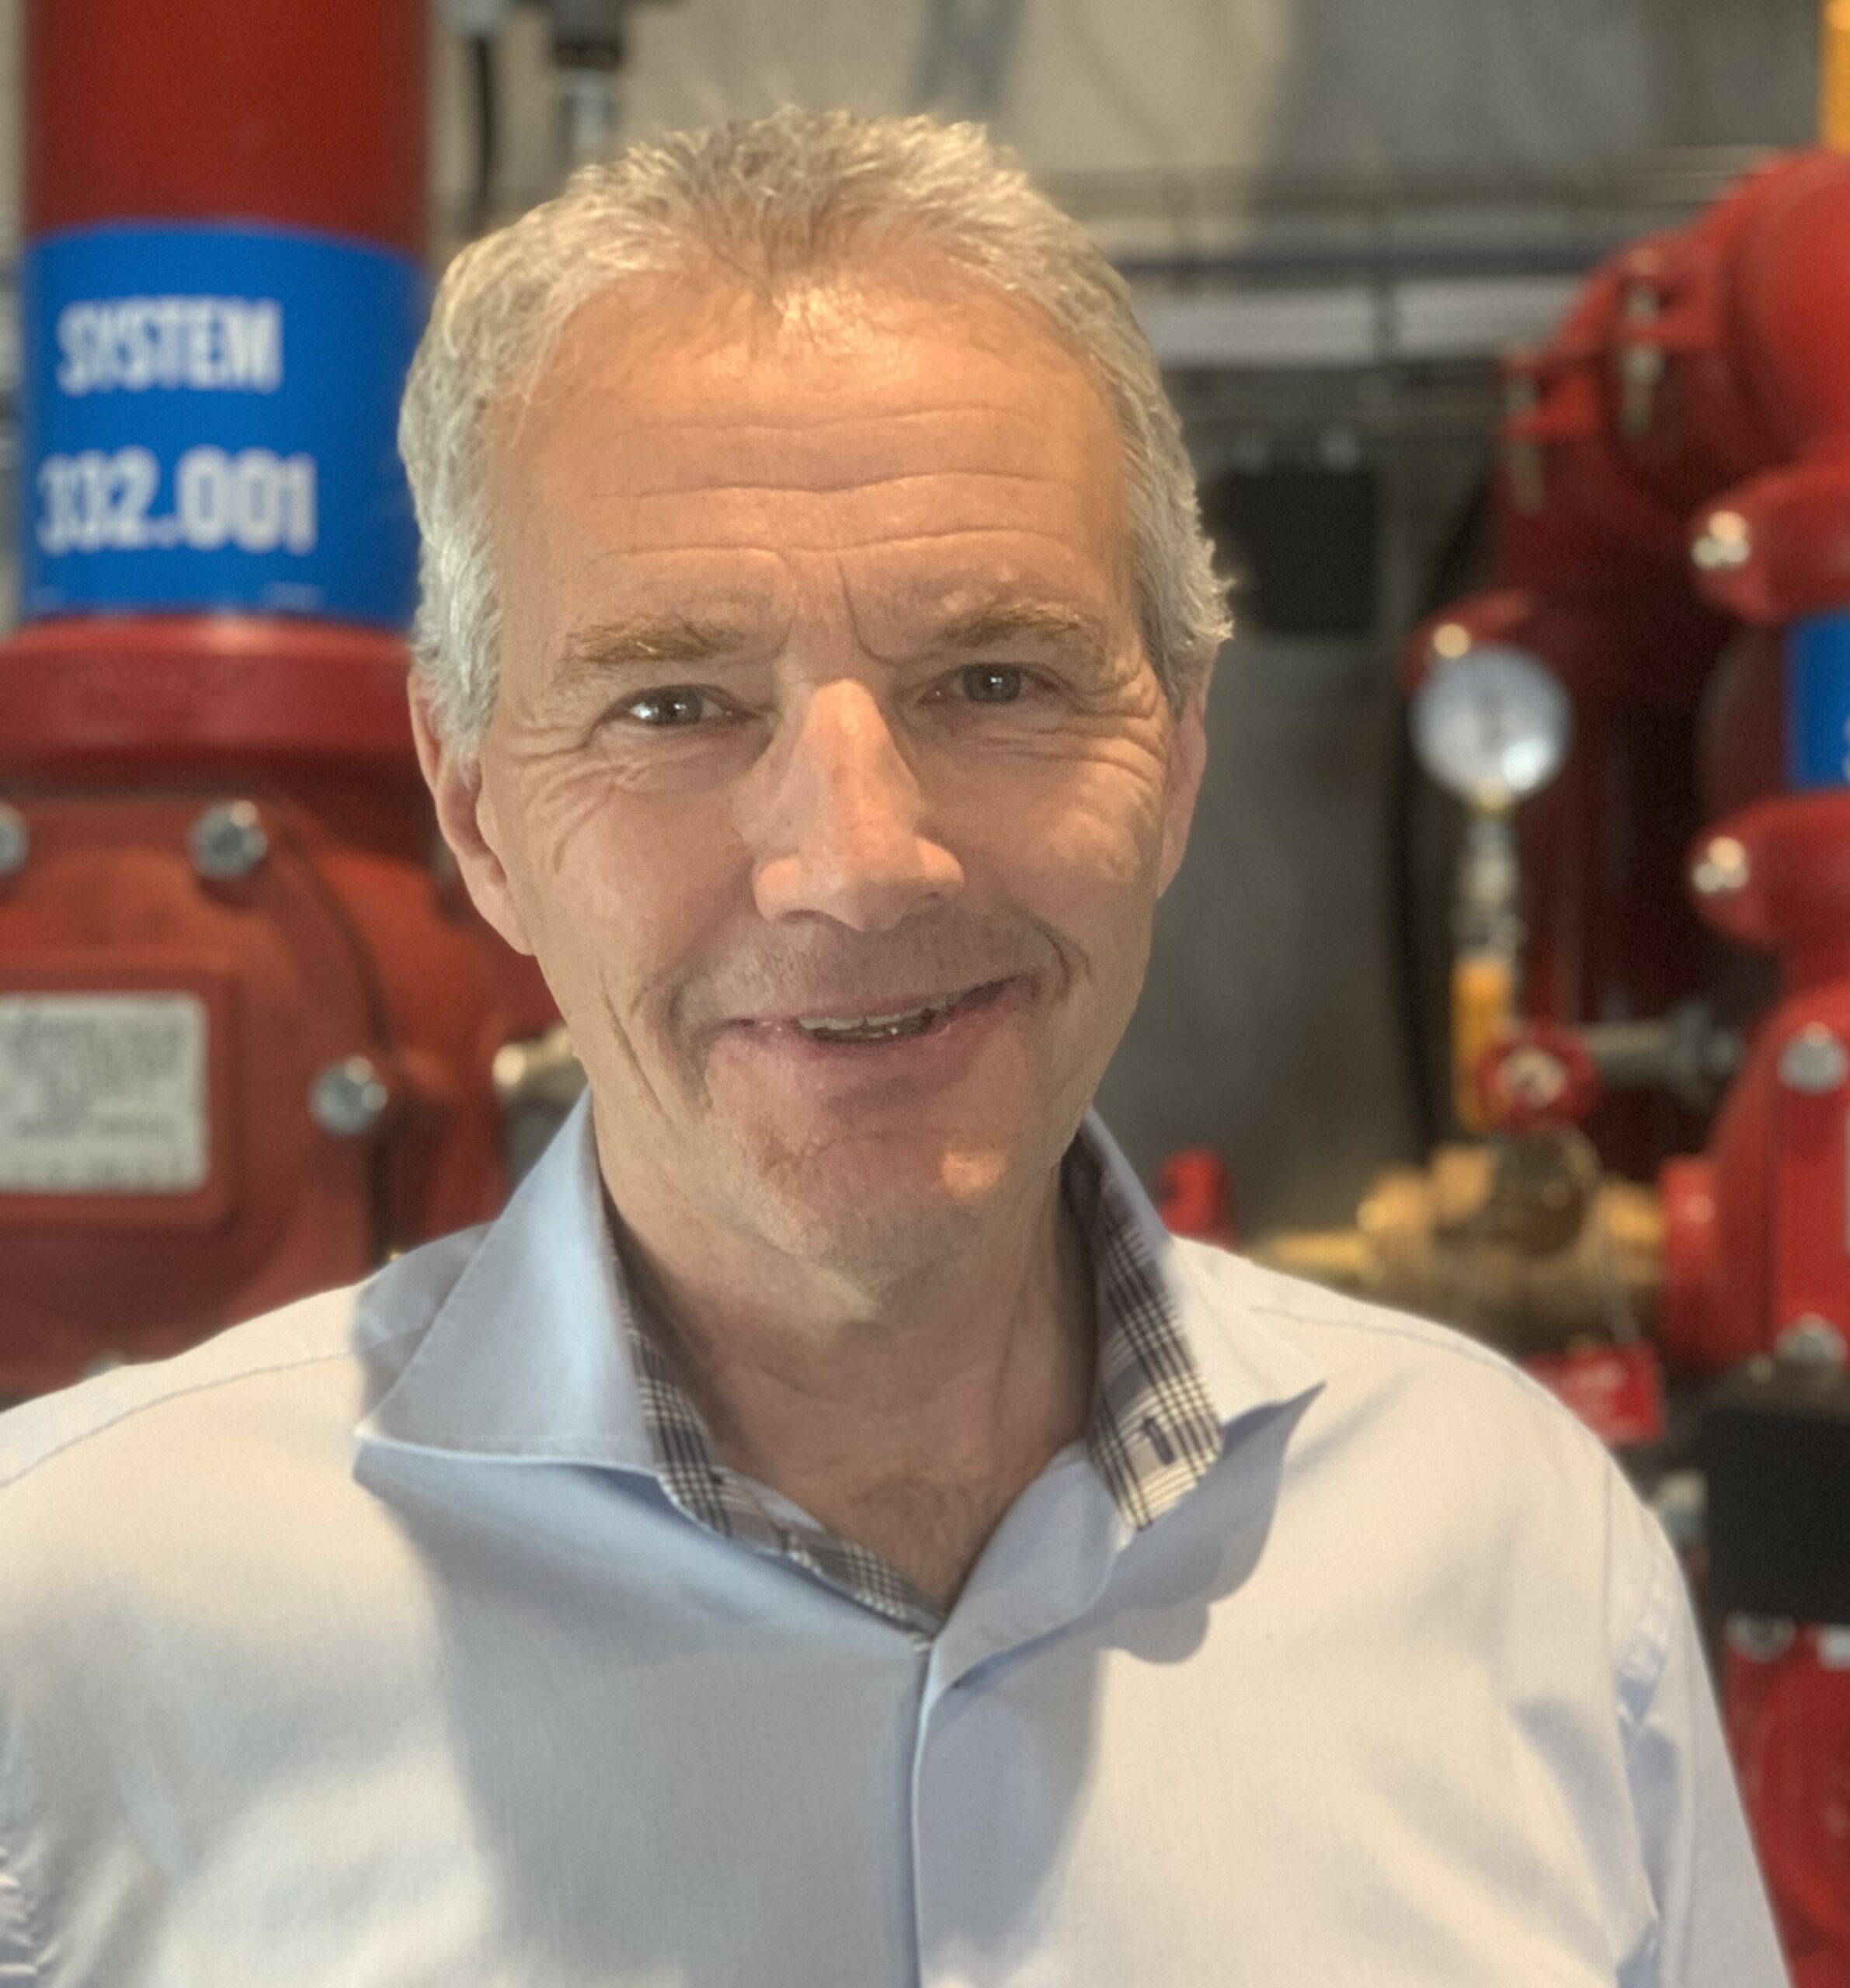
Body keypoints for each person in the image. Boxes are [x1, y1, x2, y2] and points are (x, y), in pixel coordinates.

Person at [0, 109, 1787, 1987]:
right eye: (672, 702)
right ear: (477, 810)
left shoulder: (1522, 1556)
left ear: (1178, 751)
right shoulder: (73, 1642)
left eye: (995, 680)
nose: (858, 864)